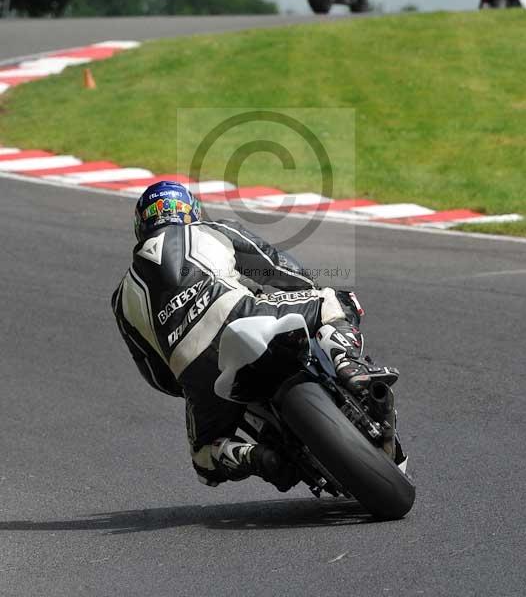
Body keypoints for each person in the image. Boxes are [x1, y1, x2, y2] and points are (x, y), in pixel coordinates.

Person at [112, 181, 398, 492]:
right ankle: (348, 365)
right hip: (239, 311)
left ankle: (257, 457)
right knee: (335, 301)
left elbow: (155, 374)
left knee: (204, 458)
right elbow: (275, 265)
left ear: (141, 225)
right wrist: (309, 290)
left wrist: (192, 384)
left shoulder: (121, 300)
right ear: (190, 211)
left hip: (190, 366)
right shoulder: (212, 229)